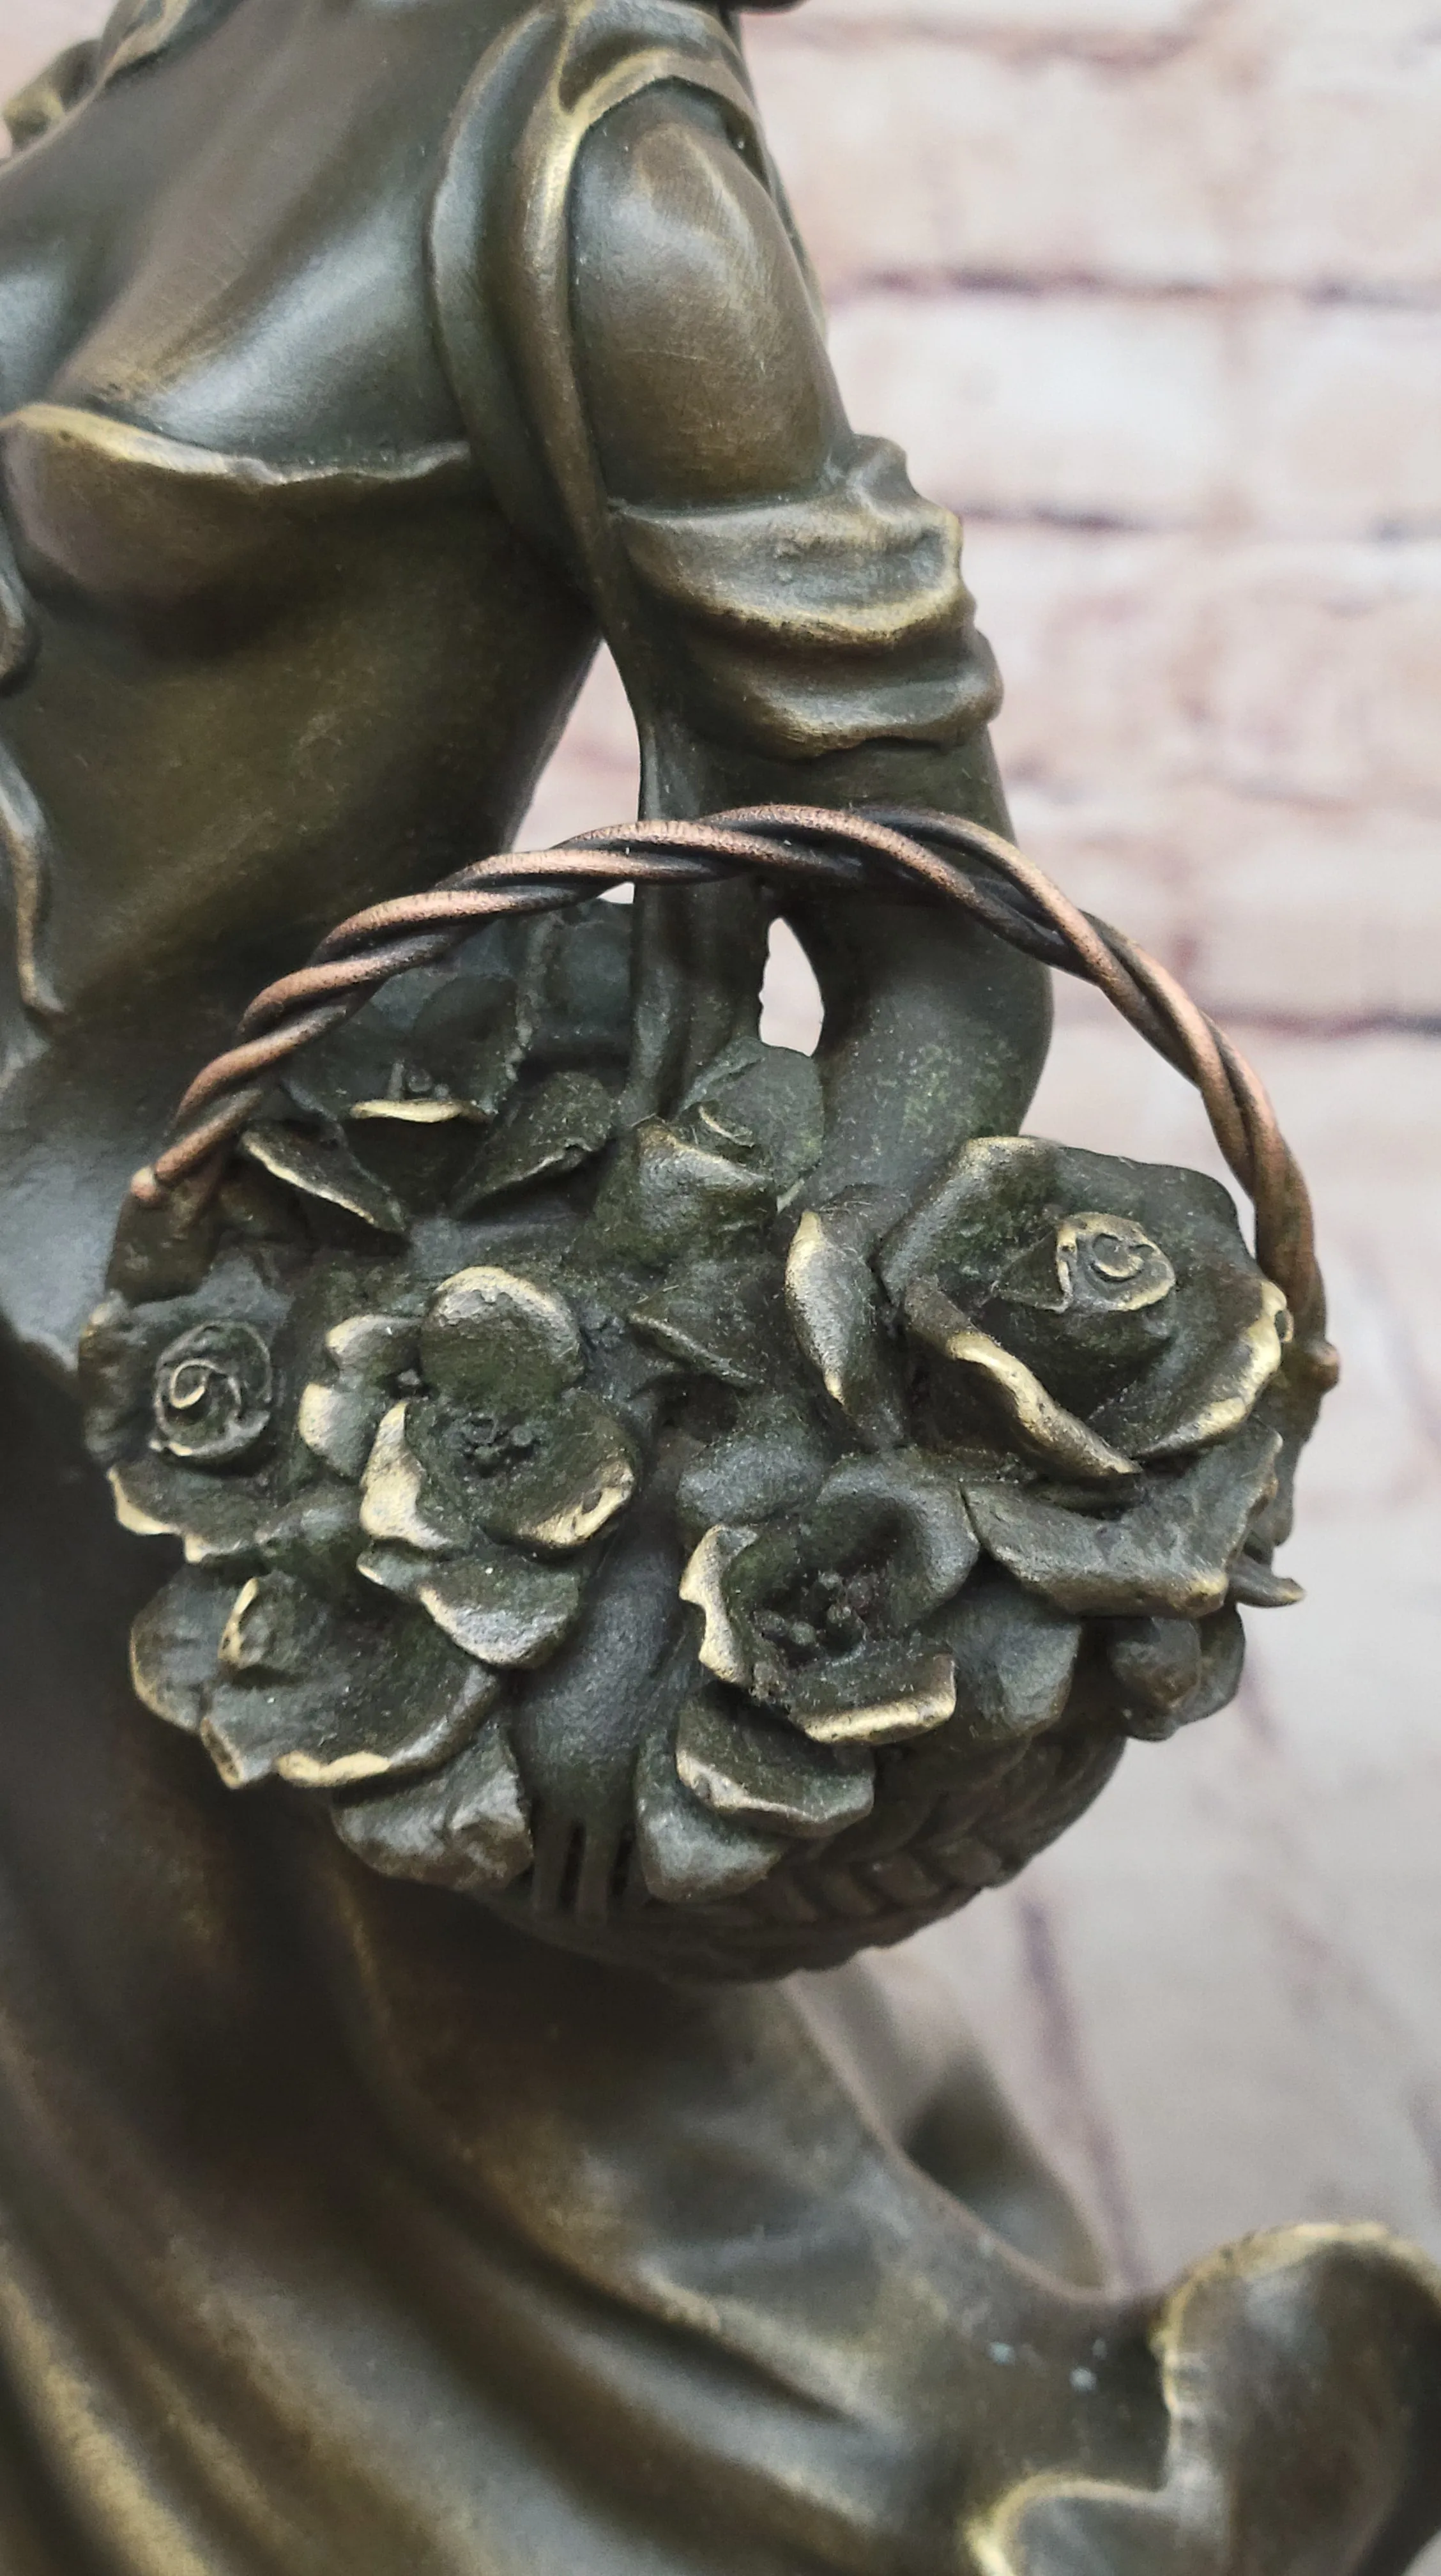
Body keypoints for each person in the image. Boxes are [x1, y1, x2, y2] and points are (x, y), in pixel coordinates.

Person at [1, 3, 1438, 2568]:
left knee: (483, 2226)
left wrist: (794, 1344)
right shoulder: (139, 63)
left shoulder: (591, 155)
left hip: (194, 1369)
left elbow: (921, 901)